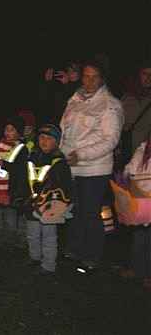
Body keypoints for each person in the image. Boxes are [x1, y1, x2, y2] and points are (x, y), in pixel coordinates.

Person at [60, 61, 124, 272]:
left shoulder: (110, 104)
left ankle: (91, 255)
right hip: (72, 165)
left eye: (94, 77)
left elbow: (110, 140)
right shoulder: (75, 99)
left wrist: (82, 154)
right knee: (75, 210)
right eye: (86, 76)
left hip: (94, 168)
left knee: (90, 212)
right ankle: (74, 248)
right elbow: (65, 130)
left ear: (102, 78)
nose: (89, 81)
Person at [19, 124, 73, 275]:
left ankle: (49, 265)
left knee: (49, 235)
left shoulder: (59, 162)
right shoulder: (32, 156)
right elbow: (25, 177)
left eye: (49, 138)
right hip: (31, 203)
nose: (44, 141)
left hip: (50, 206)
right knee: (32, 233)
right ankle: (34, 257)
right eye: (42, 137)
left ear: (57, 141)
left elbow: (63, 185)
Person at [0, 117, 29, 248]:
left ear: (18, 132)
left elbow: (20, 169)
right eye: (6, 129)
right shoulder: (0, 146)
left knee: (10, 218)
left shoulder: (22, 148)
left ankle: (10, 241)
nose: (7, 132)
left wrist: (1, 163)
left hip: (11, 189)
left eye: (11, 130)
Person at [119, 132, 151, 291]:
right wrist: (128, 177)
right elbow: (131, 168)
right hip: (140, 202)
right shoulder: (143, 149)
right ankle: (137, 268)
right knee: (139, 237)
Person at [121, 61, 151, 157]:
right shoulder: (127, 97)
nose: (148, 78)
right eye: (145, 74)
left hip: (146, 155)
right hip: (126, 150)